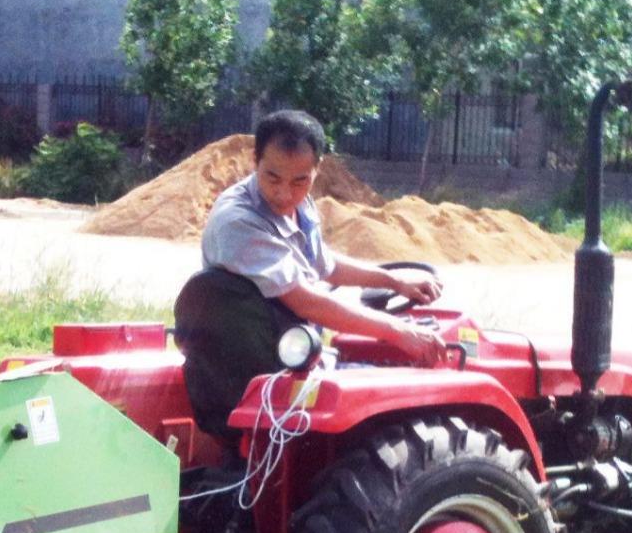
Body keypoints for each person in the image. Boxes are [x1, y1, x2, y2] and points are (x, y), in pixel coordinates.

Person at [175, 109, 447, 441]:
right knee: (405, 403)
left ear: (317, 170)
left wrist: (394, 281)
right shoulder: (238, 221)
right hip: (266, 366)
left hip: (291, 350)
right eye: (272, 178)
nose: (284, 193)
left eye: (299, 181)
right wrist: (399, 331)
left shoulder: (299, 207)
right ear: (255, 161)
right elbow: (306, 302)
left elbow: (324, 265)